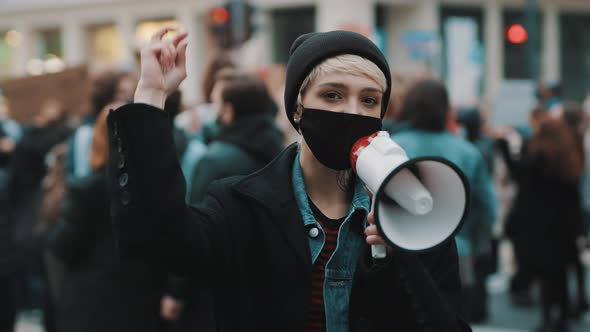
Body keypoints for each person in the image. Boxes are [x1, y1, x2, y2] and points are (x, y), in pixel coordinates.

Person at [107, 28, 470, 331]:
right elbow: (158, 240)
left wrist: (399, 261)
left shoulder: (412, 218)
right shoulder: (240, 207)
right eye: (332, 95)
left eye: (369, 100)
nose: (352, 112)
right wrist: (152, 98)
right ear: (297, 109)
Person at [48, 105, 163, 332]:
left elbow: (63, 245)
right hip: (142, 298)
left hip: (93, 301)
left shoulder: (86, 189)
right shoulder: (155, 186)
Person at [391, 80, 498, 323]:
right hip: (459, 249)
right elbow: (486, 205)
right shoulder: (467, 151)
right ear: (445, 109)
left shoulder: (393, 147)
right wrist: (479, 244)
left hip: (399, 247)